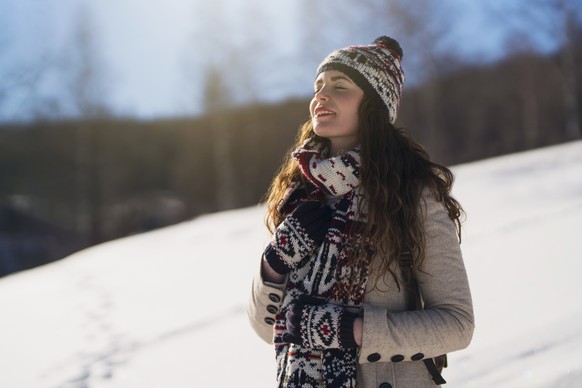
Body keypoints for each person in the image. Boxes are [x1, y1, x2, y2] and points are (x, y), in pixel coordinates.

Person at [247, 36, 474, 387]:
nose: (321, 96)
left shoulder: (409, 193)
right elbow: (270, 329)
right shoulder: (301, 195)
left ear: (374, 105)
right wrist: (274, 264)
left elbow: (457, 324)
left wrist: (352, 330)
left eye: (340, 87)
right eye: (318, 86)